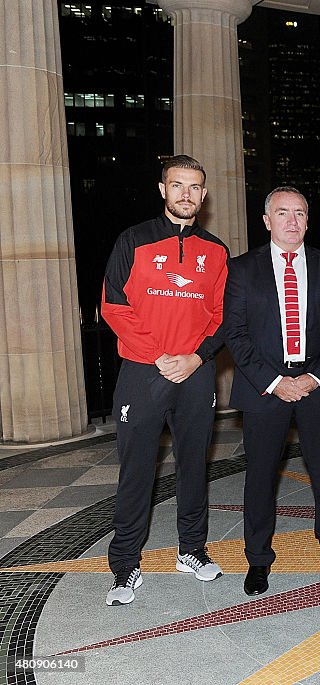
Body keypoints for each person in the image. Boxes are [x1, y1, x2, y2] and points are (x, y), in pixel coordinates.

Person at [101, 155, 229, 606]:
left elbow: (221, 317)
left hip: (195, 374)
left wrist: (195, 358)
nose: (186, 195)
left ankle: (191, 550)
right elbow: (114, 306)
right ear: (162, 189)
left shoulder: (216, 251)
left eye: (195, 187)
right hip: (143, 372)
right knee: (137, 471)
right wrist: (159, 356)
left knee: (194, 465)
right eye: (178, 185)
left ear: (204, 193)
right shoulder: (133, 240)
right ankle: (125, 566)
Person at [224, 187, 320, 596]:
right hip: (264, 389)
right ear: (266, 221)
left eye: (299, 213)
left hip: (316, 384)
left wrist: (315, 379)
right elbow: (236, 334)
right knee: (261, 476)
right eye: (282, 213)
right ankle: (258, 558)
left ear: (307, 220)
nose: (292, 221)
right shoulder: (242, 269)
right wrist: (275, 382)